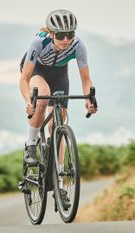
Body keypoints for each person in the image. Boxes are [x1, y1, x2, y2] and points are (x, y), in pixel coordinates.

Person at [19, 9, 97, 167]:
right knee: (44, 97)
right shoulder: (39, 42)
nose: (66, 39)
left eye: (70, 34)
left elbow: (86, 78)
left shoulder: (78, 45)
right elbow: (24, 79)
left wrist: (90, 99)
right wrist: (28, 101)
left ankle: (59, 177)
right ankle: (31, 145)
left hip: (59, 74)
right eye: (61, 35)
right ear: (51, 33)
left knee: (57, 125)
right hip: (37, 70)